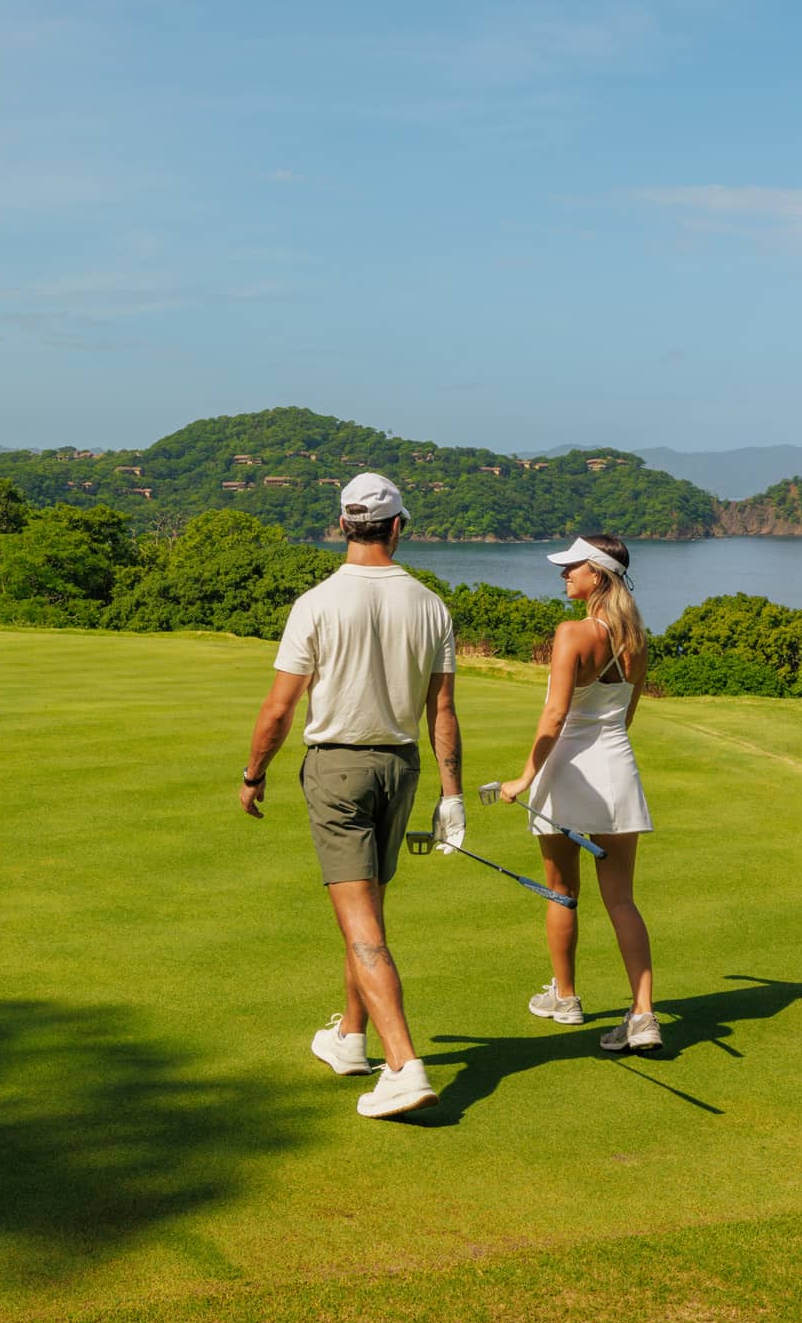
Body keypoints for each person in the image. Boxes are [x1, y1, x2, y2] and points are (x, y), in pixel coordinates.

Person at [239, 473, 464, 1119]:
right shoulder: (430, 604)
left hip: (337, 768)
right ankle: (349, 1039)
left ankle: (403, 1065)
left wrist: (254, 774)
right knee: (366, 906)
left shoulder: (316, 602)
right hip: (401, 767)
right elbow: (441, 710)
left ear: (344, 525)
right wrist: (452, 798)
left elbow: (280, 707)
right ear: (397, 528)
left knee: (360, 918)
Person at [498, 534, 661, 1053]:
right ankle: (643, 1015)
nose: (564, 574)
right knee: (622, 899)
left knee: (560, 890)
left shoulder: (572, 633)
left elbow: (555, 715)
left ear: (598, 574)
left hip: (567, 771)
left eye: (572, 567)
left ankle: (565, 998)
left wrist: (522, 778)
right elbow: (626, 718)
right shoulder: (637, 640)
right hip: (617, 770)